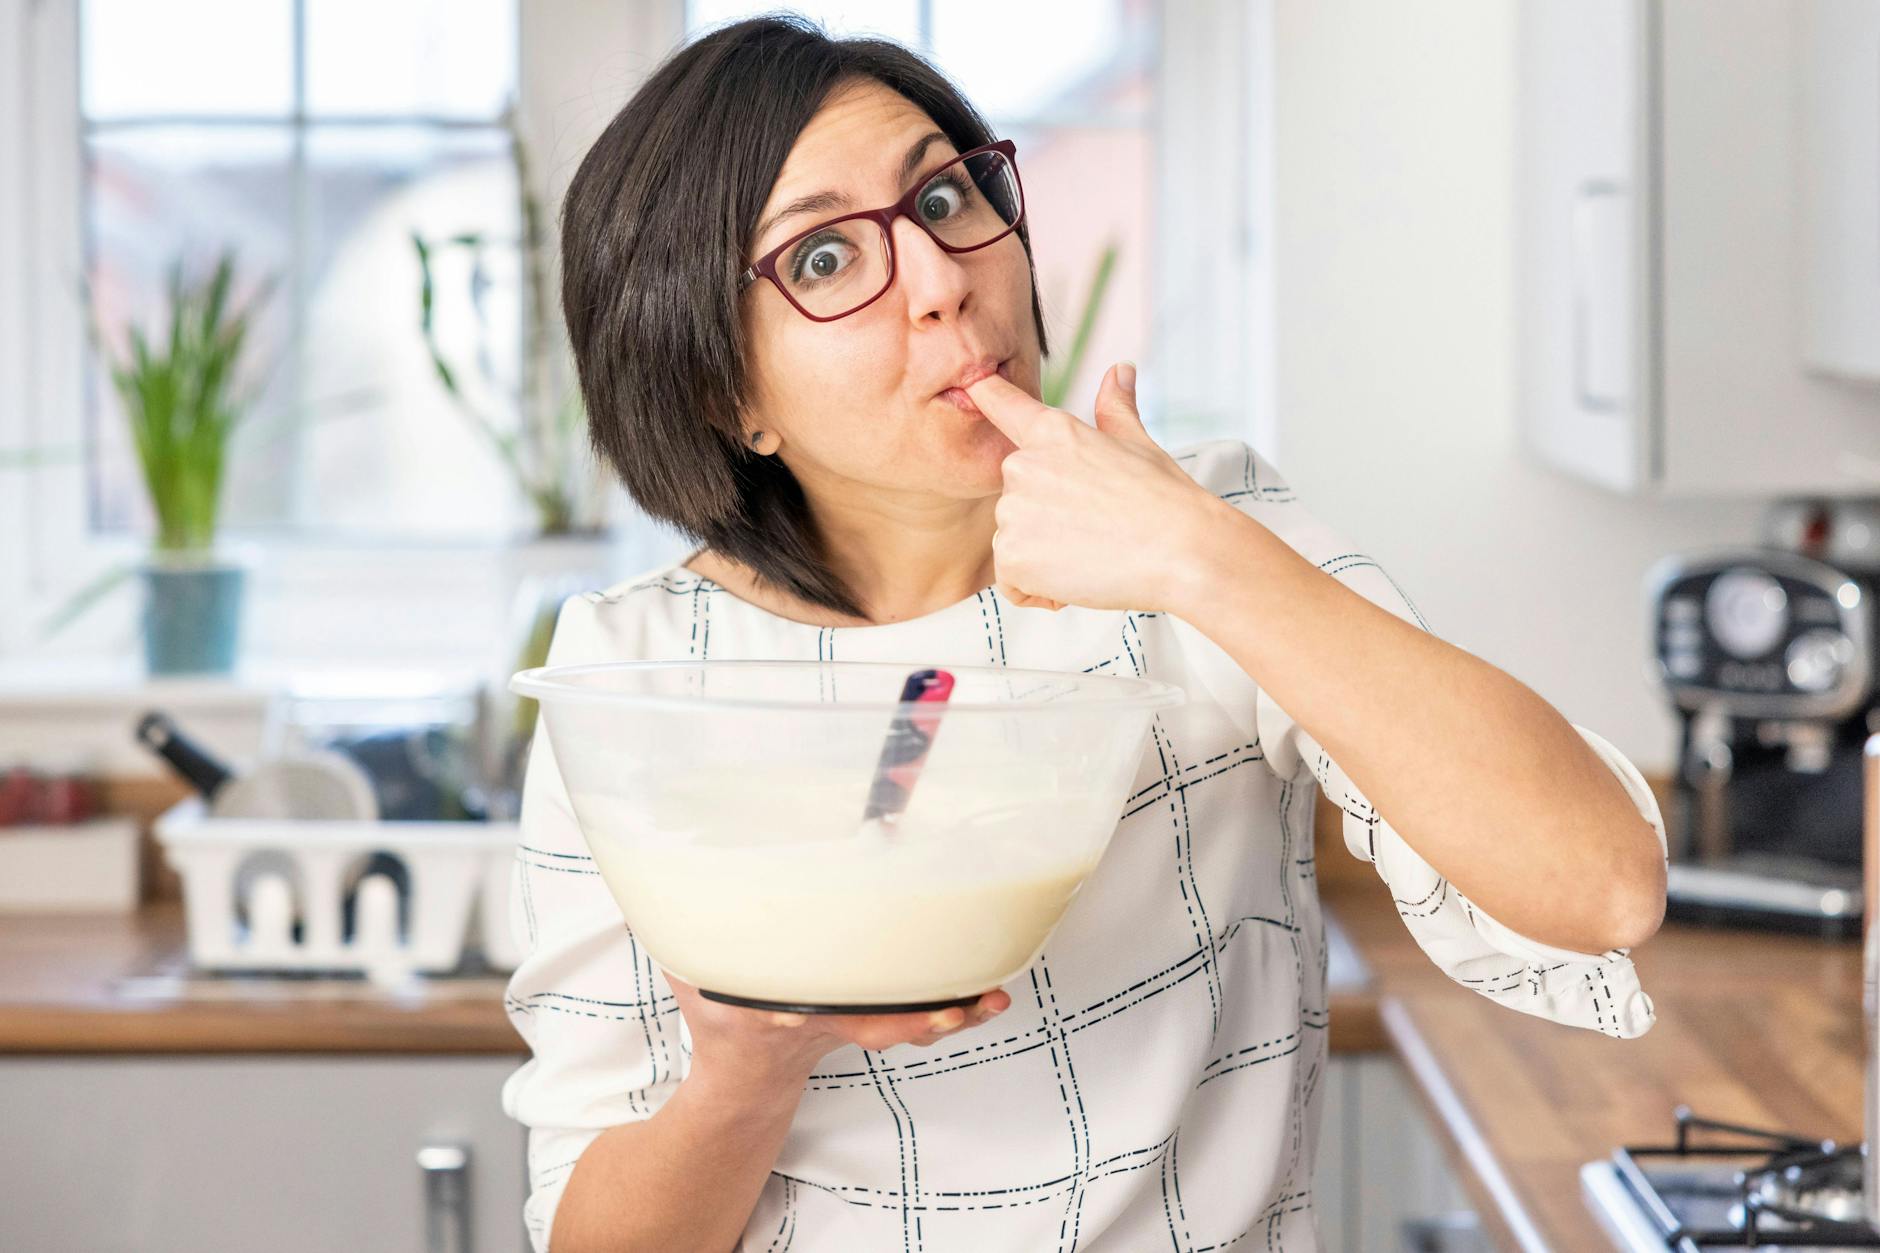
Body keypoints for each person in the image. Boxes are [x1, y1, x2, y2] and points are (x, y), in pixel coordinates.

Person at [500, 15, 1669, 1252]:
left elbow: (1596, 886)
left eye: (943, 194)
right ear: (724, 390)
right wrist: (745, 1067)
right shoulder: (635, 685)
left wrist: (1199, 558)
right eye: (827, 258)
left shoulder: (1196, 532)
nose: (945, 276)